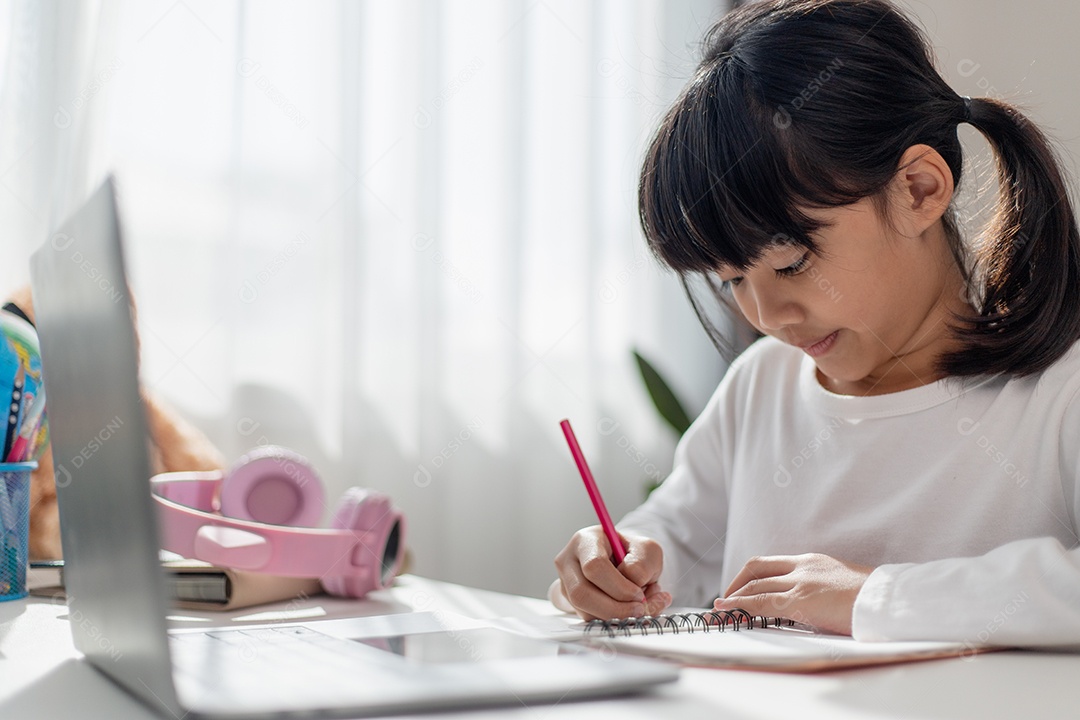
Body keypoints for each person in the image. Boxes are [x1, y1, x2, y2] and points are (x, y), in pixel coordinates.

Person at [550, 0, 1080, 645]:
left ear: (918, 189)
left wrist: (875, 597)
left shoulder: (1057, 392)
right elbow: (673, 541)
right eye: (733, 281)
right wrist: (612, 563)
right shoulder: (763, 385)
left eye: (793, 263)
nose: (767, 317)